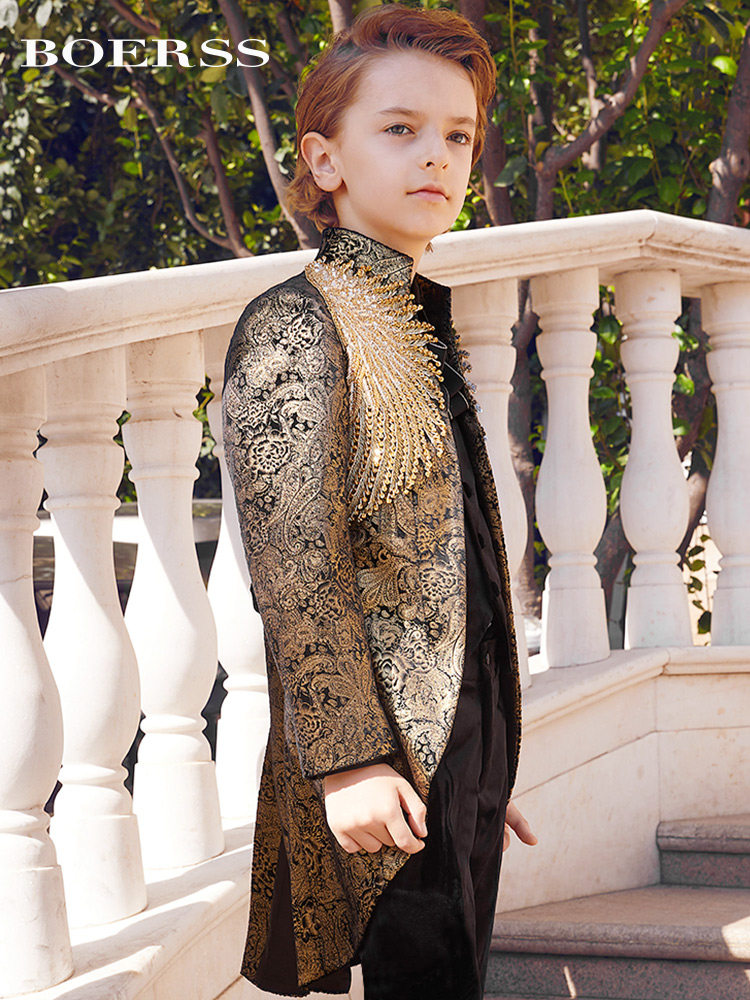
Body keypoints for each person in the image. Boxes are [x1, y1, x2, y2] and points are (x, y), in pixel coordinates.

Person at [221, 6, 538, 998]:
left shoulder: (413, 318)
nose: (436, 155)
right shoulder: (295, 325)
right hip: (384, 757)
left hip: (458, 749)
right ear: (325, 160)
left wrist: (481, 763)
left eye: (458, 136)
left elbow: (451, 556)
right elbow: (295, 564)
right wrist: (350, 761)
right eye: (400, 129)